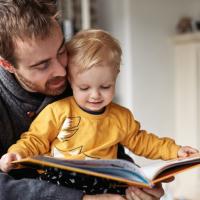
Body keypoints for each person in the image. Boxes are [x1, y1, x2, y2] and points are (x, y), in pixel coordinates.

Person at [0, 0, 166, 200]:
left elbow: (106, 148)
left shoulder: (79, 81)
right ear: (7, 64)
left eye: (62, 51)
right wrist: (81, 198)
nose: (62, 71)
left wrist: (138, 183)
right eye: (42, 65)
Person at [1, 29, 198, 174]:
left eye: (105, 87)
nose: (95, 95)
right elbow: (36, 139)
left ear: (116, 77)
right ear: (71, 80)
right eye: (84, 88)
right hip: (60, 178)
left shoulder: (121, 117)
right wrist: (17, 154)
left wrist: (175, 151)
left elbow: (142, 141)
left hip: (104, 180)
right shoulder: (58, 110)